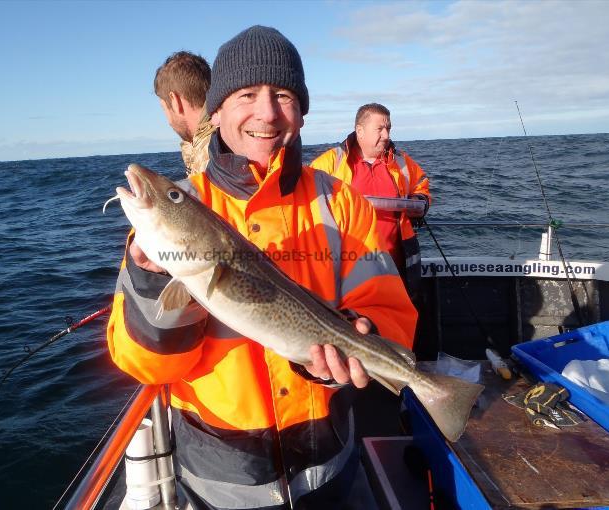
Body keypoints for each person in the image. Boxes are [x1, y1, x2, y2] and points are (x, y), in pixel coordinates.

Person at [108, 26, 417, 509]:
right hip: (224, 480)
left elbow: (390, 312)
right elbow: (145, 365)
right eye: (246, 94)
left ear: (302, 112)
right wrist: (151, 283)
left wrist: (366, 332)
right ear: (217, 111)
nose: (267, 112)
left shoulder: (340, 202)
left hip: (330, 461)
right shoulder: (176, 218)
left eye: (284, 95)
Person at [311, 104, 431, 296]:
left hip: (398, 264)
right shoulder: (331, 163)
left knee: (398, 318)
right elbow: (308, 201)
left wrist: (420, 200)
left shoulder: (401, 161)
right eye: (380, 129)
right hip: (349, 267)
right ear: (360, 131)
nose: (386, 135)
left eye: (388, 129)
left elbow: (421, 183)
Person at [154, 50, 215, 174]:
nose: (169, 122)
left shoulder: (212, 157)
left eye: (164, 108)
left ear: (175, 101)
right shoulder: (223, 136)